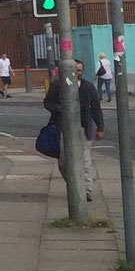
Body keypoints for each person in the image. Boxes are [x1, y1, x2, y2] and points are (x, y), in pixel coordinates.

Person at [43, 59, 104, 202]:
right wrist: (59, 108)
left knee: (85, 161)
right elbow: (48, 103)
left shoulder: (88, 87)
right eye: (75, 70)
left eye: (79, 70)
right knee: (64, 162)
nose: (77, 73)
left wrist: (100, 127)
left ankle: (86, 190)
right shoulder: (58, 85)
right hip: (63, 129)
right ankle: (74, 183)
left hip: (83, 129)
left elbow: (95, 108)